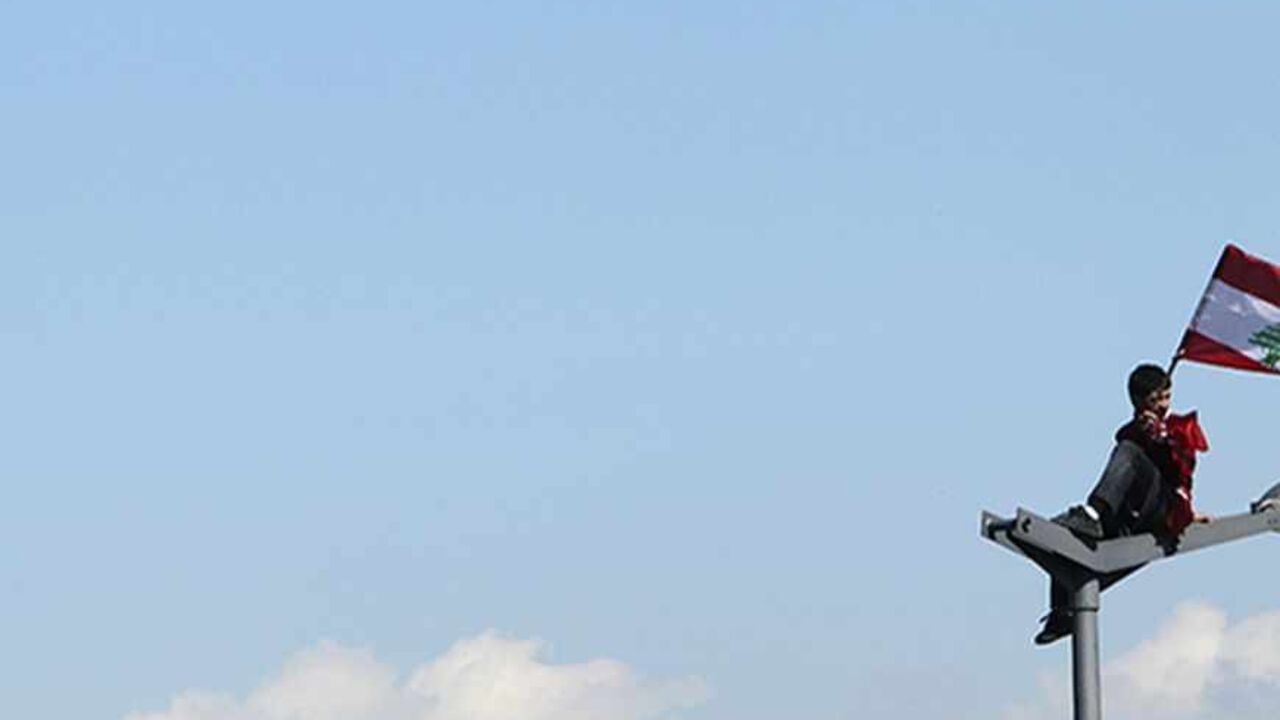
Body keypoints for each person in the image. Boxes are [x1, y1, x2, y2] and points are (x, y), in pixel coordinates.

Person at [1034, 363, 1209, 645]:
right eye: (1156, 399)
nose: (1164, 405)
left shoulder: (1180, 429)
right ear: (1139, 401)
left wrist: (1160, 436)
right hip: (1130, 515)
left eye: (1167, 397)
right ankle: (1061, 610)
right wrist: (1142, 431)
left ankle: (1094, 512)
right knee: (1064, 535)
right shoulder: (1130, 432)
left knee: (1129, 453)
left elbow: (1182, 471)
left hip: (1163, 508)